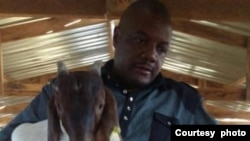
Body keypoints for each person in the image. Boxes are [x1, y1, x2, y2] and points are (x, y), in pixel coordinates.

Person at [0, 0, 217, 141]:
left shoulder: (183, 103)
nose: (152, 55)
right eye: (140, 40)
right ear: (116, 37)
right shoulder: (65, 90)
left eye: (161, 49)